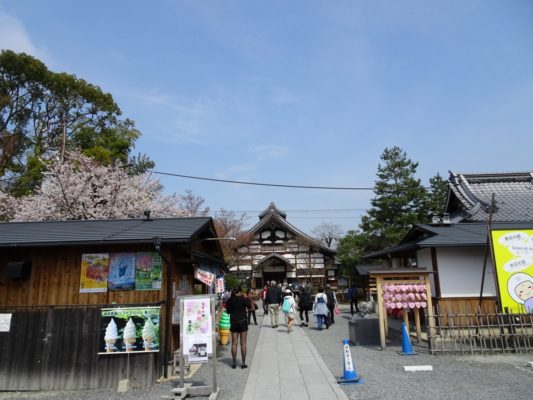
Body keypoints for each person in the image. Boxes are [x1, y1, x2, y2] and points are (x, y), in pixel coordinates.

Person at [224, 286, 250, 369]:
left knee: (234, 343)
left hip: (234, 322)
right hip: (242, 321)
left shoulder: (229, 300)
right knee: (243, 343)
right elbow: (249, 306)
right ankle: (243, 363)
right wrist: (246, 297)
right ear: (239, 292)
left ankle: (234, 363)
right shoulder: (243, 298)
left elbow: (228, 311)